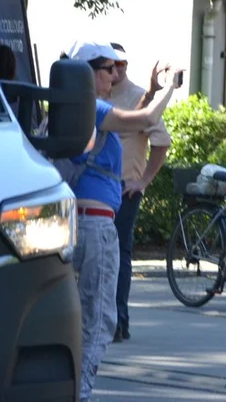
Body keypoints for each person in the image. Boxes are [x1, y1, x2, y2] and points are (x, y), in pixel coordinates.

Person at [64, 41, 181, 402]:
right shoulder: (92, 108)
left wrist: (149, 91)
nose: (114, 75)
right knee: (97, 319)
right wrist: (172, 88)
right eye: (107, 69)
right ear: (89, 73)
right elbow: (144, 120)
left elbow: (131, 120)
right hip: (97, 228)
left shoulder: (66, 108)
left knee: (72, 317)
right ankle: (80, 394)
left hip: (70, 226)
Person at [108, 43, 172, 343]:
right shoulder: (92, 94)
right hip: (88, 189)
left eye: (120, 64)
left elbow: (161, 141)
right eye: (109, 65)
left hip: (124, 189)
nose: (115, 70)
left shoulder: (136, 96)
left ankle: (119, 321)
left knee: (119, 254)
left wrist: (143, 182)